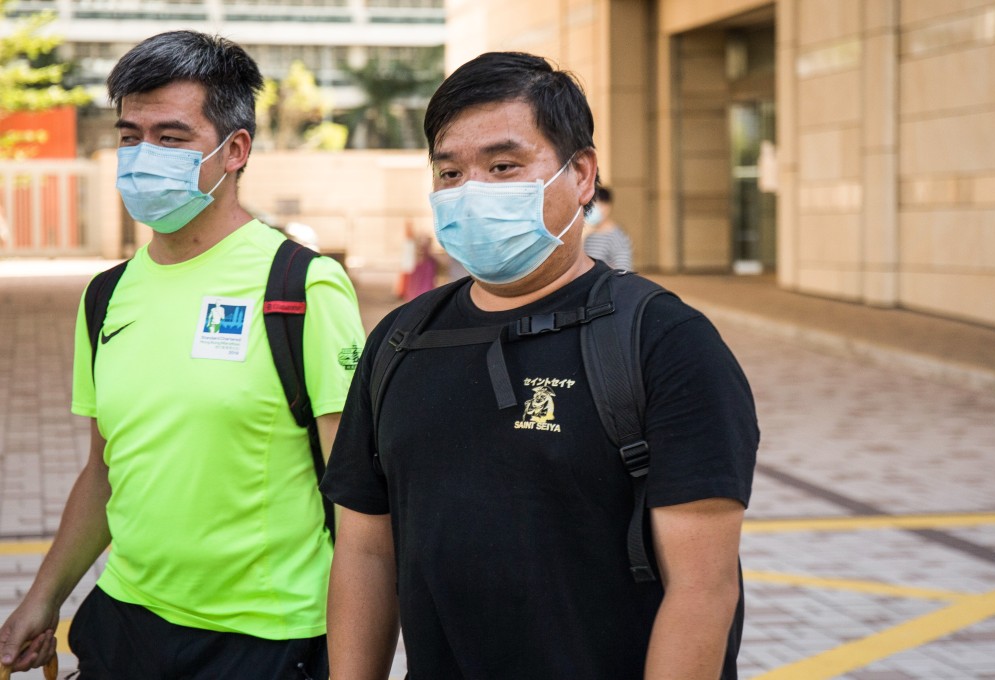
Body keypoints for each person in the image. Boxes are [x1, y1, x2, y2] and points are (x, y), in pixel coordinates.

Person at [321, 51, 758, 680]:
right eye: (450, 173)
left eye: (503, 166)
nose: (471, 193)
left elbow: (703, 588)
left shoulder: (665, 342)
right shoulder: (400, 340)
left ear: (581, 176)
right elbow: (365, 551)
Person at [0, 31, 364, 679]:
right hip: (125, 622)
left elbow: (360, 498)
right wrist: (42, 598)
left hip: (266, 637)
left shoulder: (301, 288)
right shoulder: (106, 295)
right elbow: (104, 469)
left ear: (236, 150)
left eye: (171, 137)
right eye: (129, 135)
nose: (143, 156)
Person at [583, 185, 633, 271]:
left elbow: (623, 272)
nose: (590, 211)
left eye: (594, 206)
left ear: (607, 207)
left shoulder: (617, 238)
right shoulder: (590, 237)